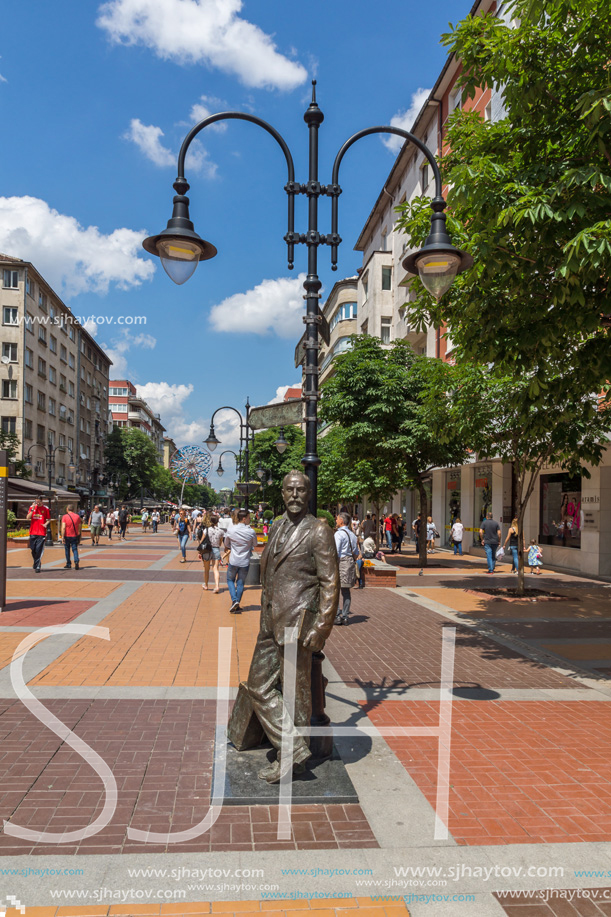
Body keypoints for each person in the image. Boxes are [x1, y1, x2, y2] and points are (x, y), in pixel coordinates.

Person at [227, 471, 339, 784]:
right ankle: (292, 749)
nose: (294, 495)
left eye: (300, 490)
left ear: (308, 493)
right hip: (270, 620)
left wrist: (322, 626)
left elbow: (331, 582)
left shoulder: (318, 531)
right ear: (282, 492)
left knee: (296, 690)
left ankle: (292, 759)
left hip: (298, 621)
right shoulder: (276, 525)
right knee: (259, 685)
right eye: (289, 490)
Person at [223, 508, 258, 612]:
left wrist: (233, 546)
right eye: (248, 518)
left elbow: (226, 544)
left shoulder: (231, 530)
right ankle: (236, 602)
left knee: (230, 580)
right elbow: (255, 544)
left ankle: (235, 601)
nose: (249, 520)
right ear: (243, 519)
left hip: (233, 560)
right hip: (244, 561)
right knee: (241, 583)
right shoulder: (251, 531)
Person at [334, 512, 360, 623]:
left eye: (337, 519)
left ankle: (337, 615)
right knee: (346, 591)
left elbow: (335, 551)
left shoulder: (339, 534)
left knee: (335, 590)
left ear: (341, 521)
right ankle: (345, 616)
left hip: (341, 562)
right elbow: (356, 552)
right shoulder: (352, 535)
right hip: (349, 562)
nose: (336, 521)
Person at [198, 512, 225, 592]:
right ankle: (217, 586)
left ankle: (206, 585)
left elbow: (202, 541)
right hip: (216, 549)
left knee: (206, 569)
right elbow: (220, 543)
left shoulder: (206, 530)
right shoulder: (221, 531)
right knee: (215, 568)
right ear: (217, 522)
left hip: (207, 550)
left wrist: (200, 552)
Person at [27, 496, 50, 573]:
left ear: (42, 501)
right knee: (33, 549)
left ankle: (37, 566)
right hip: (33, 532)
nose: (37, 503)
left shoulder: (45, 508)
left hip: (41, 533)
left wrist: (46, 524)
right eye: (36, 501)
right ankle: (36, 561)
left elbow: (49, 519)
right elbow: (28, 517)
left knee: (39, 549)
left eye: (39, 501)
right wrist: (33, 509)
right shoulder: (32, 507)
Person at [61, 504, 81, 570]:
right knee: (74, 549)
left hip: (67, 535)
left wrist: (62, 537)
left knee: (67, 549)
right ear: (73, 509)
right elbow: (79, 528)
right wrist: (79, 536)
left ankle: (68, 563)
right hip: (74, 535)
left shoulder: (64, 517)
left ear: (67, 509)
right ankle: (76, 560)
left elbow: (63, 527)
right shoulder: (77, 516)